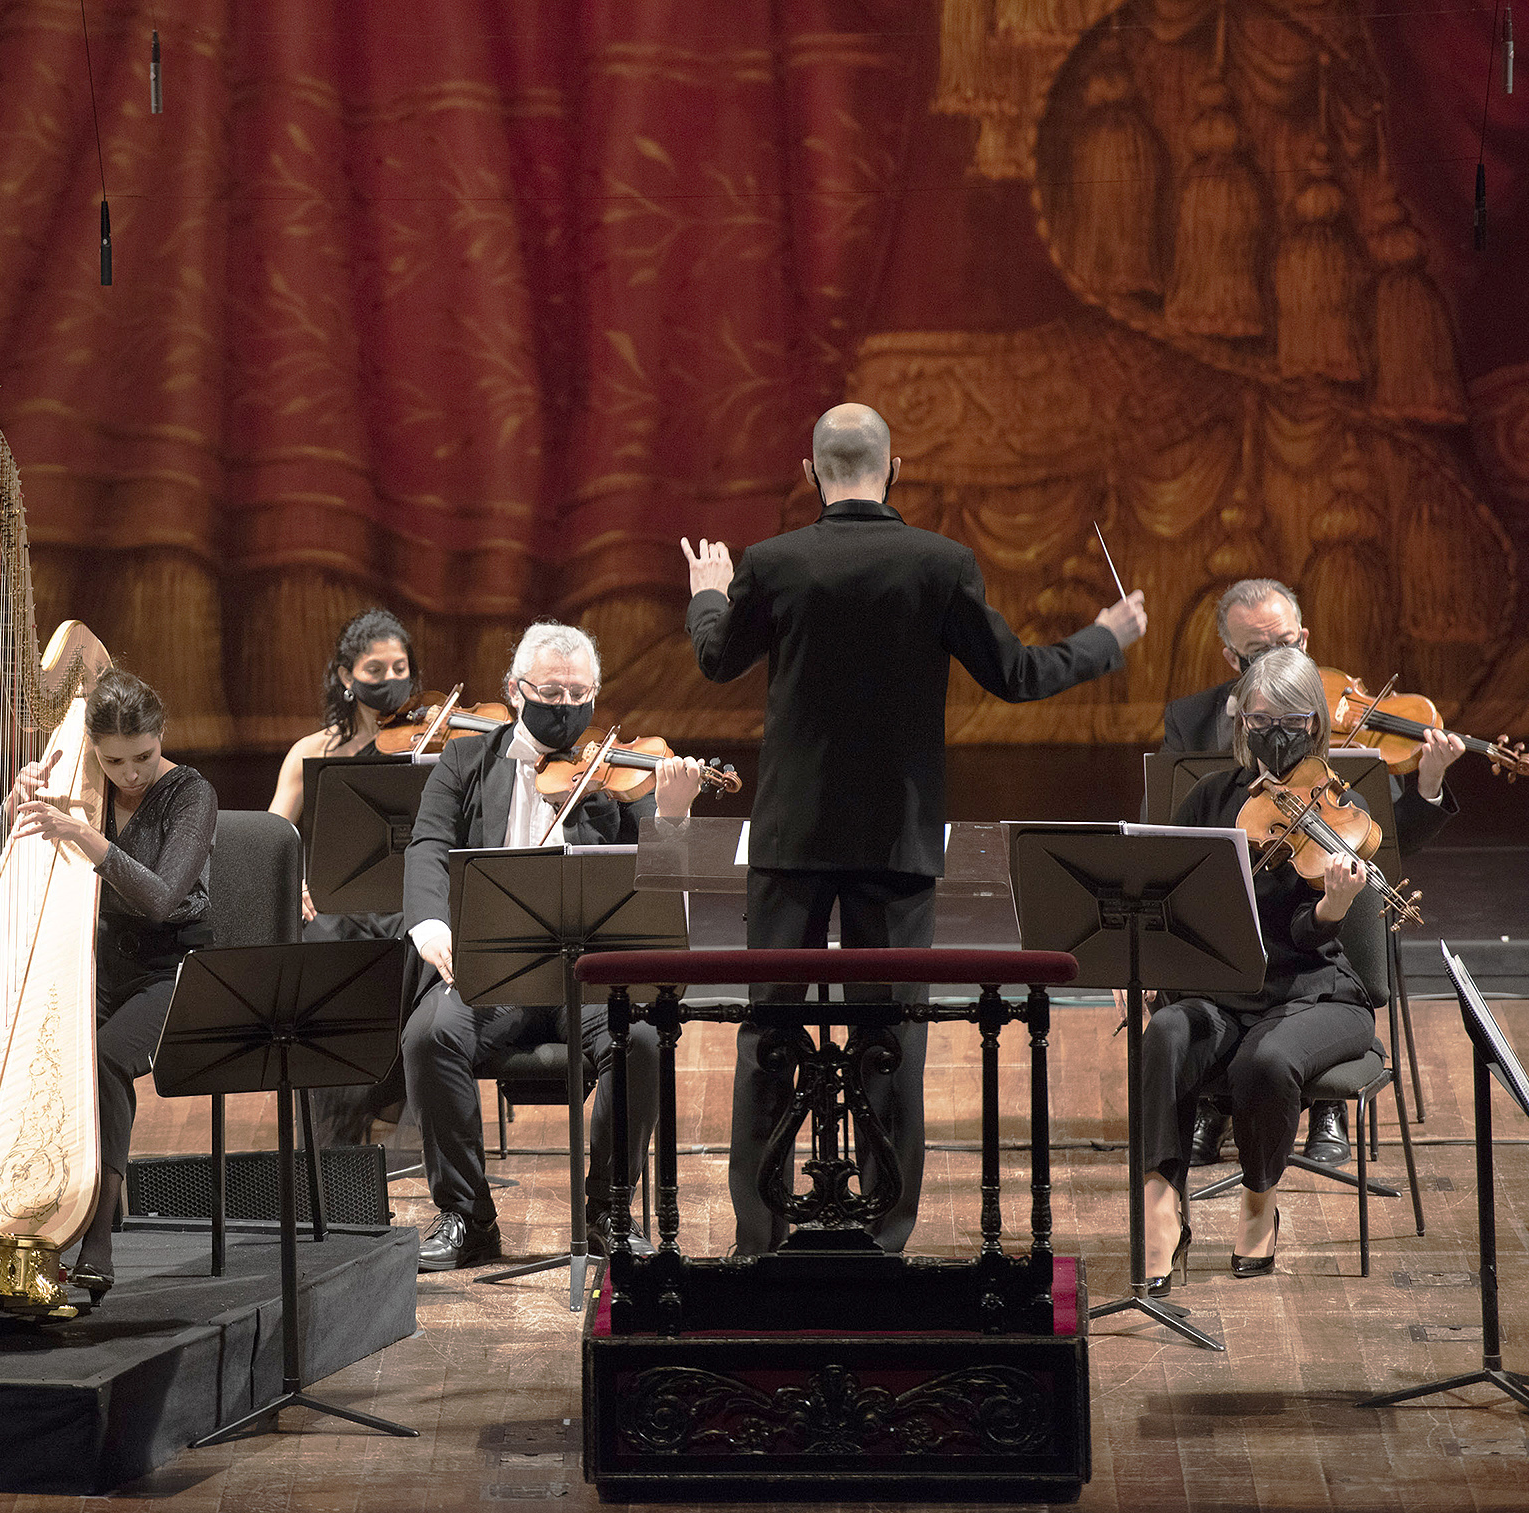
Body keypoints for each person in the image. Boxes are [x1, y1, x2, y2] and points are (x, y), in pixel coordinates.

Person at [685, 401, 1146, 1256]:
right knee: (892, 1036)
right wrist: (1103, 639)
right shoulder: (941, 563)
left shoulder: (772, 563)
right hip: (897, 842)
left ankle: (759, 1238)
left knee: (768, 1033)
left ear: (809, 472)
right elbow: (1017, 674)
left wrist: (708, 595)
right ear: (895, 470)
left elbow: (717, 659)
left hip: (789, 841)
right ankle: (884, 1237)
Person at [398, 621, 704, 1271]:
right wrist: (431, 924)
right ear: (516, 691)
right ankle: (467, 1217)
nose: (566, 707)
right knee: (429, 1035)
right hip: (493, 969)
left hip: (589, 974)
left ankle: (609, 1212)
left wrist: (673, 817)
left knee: (640, 1037)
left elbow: (662, 880)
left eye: (579, 694)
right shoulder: (465, 762)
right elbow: (427, 845)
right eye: (551, 692)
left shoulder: (617, 777)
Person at [1137, 647, 1417, 1287]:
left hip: (1315, 996)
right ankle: (1159, 1209)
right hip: (1225, 994)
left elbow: (1304, 940)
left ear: (1316, 723)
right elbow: (1166, 896)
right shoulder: (1210, 800)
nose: (1277, 735)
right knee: (1167, 1035)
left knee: (1264, 1062)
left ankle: (1259, 1206)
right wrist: (1145, 972)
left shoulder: (1341, 811)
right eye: (1261, 721)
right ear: (1242, 724)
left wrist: (1334, 906)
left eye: (1292, 721)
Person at [1159, 577, 1461, 1167]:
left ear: (1304, 637)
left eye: (1286, 645)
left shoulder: (1338, 732)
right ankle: (1214, 1106)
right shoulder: (1195, 728)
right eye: (1256, 653)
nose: (1275, 659)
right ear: (1231, 659)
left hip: (1310, 957)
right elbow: (1176, 847)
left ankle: (1324, 1106)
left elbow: (1381, 844)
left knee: (1296, 1012)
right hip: (1235, 936)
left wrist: (1426, 786)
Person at [9, 669, 217, 1303]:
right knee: (40, 1055)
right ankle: (34, 1214)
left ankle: (98, 1231)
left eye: (143, 757)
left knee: (103, 1059)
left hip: (174, 970)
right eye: (114, 761)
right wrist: (18, 809)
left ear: (162, 736)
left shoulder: (190, 795)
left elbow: (160, 899)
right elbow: (4, 863)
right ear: (94, 751)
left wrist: (86, 836)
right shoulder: (82, 786)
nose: (130, 774)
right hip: (95, 965)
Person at [268, 606, 417, 938]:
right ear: (348, 677)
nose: (391, 679)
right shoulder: (311, 751)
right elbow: (271, 840)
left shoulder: (429, 745)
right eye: (375, 670)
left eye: (400, 668)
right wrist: (295, 884)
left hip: (407, 899)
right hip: (335, 907)